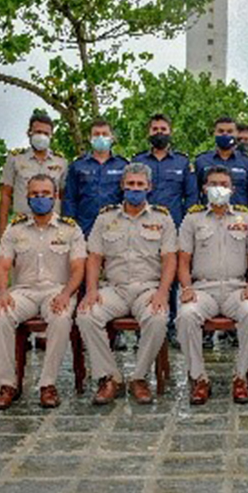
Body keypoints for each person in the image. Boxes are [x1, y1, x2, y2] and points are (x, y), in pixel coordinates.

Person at [76, 164, 177, 405]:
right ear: (122, 185)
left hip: (148, 289)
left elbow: (170, 259)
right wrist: (91, 291)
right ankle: (111, 377)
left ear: (149, 187)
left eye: (140, 185)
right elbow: (94, 258)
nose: (134, 189)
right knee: (86, 315)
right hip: (115, 289)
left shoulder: (162, 219)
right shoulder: (105, 218)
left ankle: (138, 378)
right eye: (130, 184)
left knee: (158, 317)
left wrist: (163, 292)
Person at [0, 175, 86, 410]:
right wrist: (3, 293)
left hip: (57, 290)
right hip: (23, 291)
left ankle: (48, 384)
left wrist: (66, 295)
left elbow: (78, 269)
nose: (40, 198)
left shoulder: (70, 230)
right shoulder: (15, 229)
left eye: (45, 193)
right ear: (28, 197)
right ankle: (7, 385)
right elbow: (2, 266)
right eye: (35, 194)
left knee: (61, 318)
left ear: (55, 196)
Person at [175, 166, 248, 405]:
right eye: (213, 183)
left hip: (237, 288)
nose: (219, 188)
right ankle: (199, 378)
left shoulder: (246, 218)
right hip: (203, 289)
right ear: (204, 188)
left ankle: (240, 376)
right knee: (186, 316)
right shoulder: (192, 219)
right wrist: (186, 289)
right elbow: (183, 260)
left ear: (232, 189)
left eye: (224, 184)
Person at [132, 114, 196, 347]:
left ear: (171, 132)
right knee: (146, 272)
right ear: (149, 133)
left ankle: (170, 326)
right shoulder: (138, 161)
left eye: (163, 128)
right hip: (144, 226)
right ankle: (144, 325)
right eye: (155, 128)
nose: (159, 132)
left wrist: (187, 225)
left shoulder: (182, 162)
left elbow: (190, 196)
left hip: (174, 227)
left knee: (173, 277)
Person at [0, 112, 67, 239]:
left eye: (46, 134)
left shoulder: (61, 162)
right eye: (38, 132)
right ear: (29, 133)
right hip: (22, 228)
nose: (42, 136)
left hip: (52, 229)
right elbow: (5, 195)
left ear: (51, 136)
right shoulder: (15, 159)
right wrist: (2, 231)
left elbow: (64, 196)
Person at [62, 119, 129, 236]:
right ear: (89, 138)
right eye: (96, 134)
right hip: (84, 229)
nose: (101, 137)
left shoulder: (123, 165)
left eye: (105, 134)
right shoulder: (78, 165)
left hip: (116, 229)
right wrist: (69, 226)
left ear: (112, 137)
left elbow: (128, 198)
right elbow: (69, 199)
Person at [194, 116, 248, 219]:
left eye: (230, 131)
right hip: (208, 220)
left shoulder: (247, 163)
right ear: (214, 133)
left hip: (239, 221)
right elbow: (194, 194)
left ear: (236, 134)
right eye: (221, 131)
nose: (225, 134)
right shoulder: (201, 161)